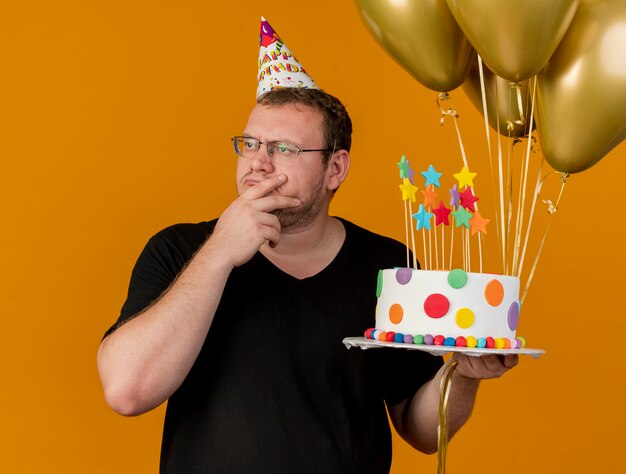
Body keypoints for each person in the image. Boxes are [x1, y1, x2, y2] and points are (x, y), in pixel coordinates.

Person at [98, 17, 518, 473]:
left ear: (335, 169)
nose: (258, 163)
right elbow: (126, 391)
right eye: (250, 144)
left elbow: (420, 431)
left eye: (283, 149)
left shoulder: (388, 265)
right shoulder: (179, 250)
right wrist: (220, 251)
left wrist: (463, 377)